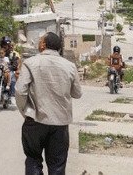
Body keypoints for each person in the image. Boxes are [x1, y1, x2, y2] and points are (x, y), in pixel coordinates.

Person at [16, 32, 82, 175]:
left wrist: (25, 111)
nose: (38, 43)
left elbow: (20, 91)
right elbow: (77, 93)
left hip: (35, 120)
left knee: (33, 160)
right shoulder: (70, 66)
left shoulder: (30, 63)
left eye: (40, 41)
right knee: (57, 166)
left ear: (43, 45)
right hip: (60, 124)